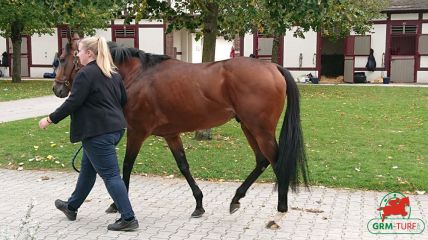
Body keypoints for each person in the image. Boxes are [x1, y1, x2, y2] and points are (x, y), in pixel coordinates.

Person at [38, 36, 138, 231]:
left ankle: (128, 218)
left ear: (89, 54)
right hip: (115, 130)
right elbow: (123, 99)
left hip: (97, 133)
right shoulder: (113, 74)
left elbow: (73, 102)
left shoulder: (85, 74)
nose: (78, 55)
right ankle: (71, 207)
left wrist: (50, 119)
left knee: (110, 175)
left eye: (80, 52)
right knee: (87, 170)